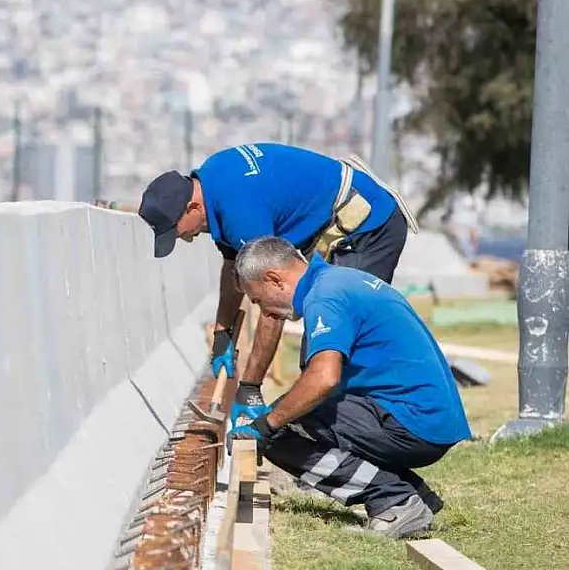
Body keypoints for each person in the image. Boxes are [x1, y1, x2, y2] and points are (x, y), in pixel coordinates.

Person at [136, 142, 419, 426]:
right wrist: (223, 332)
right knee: (323, 351)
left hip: (369, 227)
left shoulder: (239, 210)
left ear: (193, 207)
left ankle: (384, 427)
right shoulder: (213, 182)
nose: (184, 238)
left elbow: (275, 302)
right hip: (339, 230)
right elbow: (235, 263)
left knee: (330, 346)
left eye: (177, 231)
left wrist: (250, 386)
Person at [227, 236, 471, 538]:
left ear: (274, 279)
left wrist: (266, 424)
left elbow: (324, 378)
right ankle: (414, 493)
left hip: (415, 423)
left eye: (258, 300)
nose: (266, 312)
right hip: (428, 418)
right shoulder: (337, 280)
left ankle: (393, 501)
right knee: (290, 412)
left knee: (279, 431)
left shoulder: (324, 297)